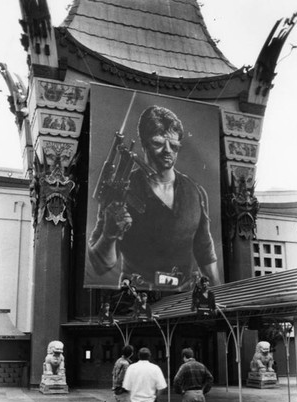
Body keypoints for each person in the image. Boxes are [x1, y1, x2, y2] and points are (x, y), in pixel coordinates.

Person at [88, 105, 220, 291]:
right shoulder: (122, 188)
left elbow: (205, 254)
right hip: (139, 295)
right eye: (158, 144)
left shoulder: (195, 192)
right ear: (144, 144)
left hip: (186, 298)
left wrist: (219, 297)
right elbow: (101, 265)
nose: (168, 151)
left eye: (173, 146)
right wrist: (109, 235)